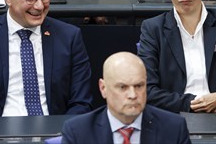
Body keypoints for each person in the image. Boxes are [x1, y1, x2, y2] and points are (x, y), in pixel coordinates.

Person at [61, 52, 191, 144]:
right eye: (123, 87)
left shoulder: (174, 128)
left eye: (139, 86)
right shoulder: (78, 132)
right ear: (103, 88)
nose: (133, 95)